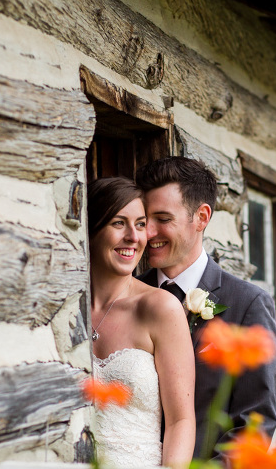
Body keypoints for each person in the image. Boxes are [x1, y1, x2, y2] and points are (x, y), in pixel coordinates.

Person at [135, 156, 276, 457]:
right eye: (143, 220)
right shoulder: (130, 297)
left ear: (201, 217)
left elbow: (253, 427)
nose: (148, 233)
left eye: (163, 219)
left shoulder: (248, 304)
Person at [87, 176, 196, 469]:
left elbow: (181, 421)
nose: (134, 237)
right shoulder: (64, 310)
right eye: (118, 223)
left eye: (139, 224)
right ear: (91, 230)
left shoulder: (160, 308)